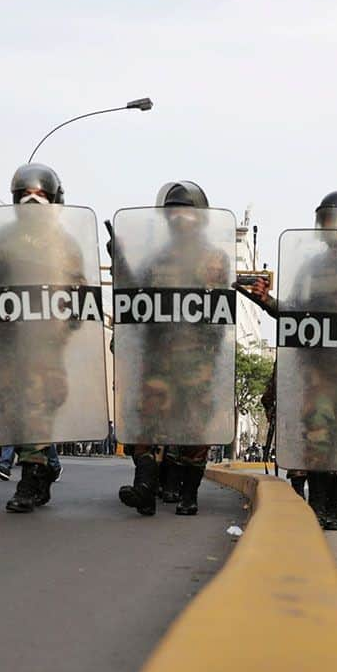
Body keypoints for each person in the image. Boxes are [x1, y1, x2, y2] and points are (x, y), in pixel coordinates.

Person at [244, 191, 337, 529]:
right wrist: (265, 301)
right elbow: (292, 315)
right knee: (318, 435)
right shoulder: (310, 268)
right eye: (327, 220)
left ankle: (335, 506)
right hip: (316, 371)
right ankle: (318, 506)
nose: (333, 227)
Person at [117, 181, 230, 517]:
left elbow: (217, 315)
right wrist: (120, 261)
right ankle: (145, 489)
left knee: (195, 428)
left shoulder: (213, 258)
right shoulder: (156, 259)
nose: (179, 217)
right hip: (157, 359)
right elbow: (137, 304)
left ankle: (188, 495)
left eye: (186, 210)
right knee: (145, 424)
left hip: (196, 360)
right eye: (173, 211)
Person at [0, 164, 86, 513]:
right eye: (26, 194)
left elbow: (79, 294)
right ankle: (44, 470)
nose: (33, 200)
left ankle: (31, 478)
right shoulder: (3, 240)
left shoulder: (65, 244)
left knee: (37, 408)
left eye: (41, 195)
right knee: (14, 408)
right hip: (9, 345)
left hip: (44, 348)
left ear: (55, 199)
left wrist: (61, 328)